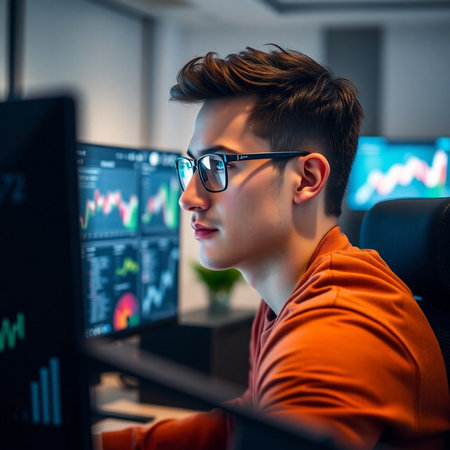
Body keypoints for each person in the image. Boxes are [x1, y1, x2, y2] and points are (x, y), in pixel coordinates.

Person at [98, 45, 450, 449]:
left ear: (306, 178)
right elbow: (239, 427)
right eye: (192, 166)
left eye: (218, 165)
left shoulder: (332, 334)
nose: (188, 197)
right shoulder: (291, 295)